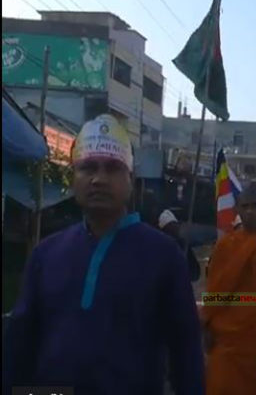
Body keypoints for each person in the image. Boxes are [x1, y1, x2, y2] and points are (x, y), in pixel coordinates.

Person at [2, 114, 204, 394]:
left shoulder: (164, 256)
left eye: (112, 168)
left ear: (130, 179)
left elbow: (186, 355)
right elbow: (18, 350)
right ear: (74, 177)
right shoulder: (45, 255)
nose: (98, 179)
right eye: (88, 167)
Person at [203, 183, 256, 395]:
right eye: (245, 207)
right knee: (220, 386)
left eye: (254, 206)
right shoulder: (225, 245)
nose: (250, 211)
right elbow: (214, 289)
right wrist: (206, 325)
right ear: (238, 210)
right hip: (226, 335)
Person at [159, 209, 202, 282]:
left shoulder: (183, 243)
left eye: (174, 226)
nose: (173, 229)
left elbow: (195, 274)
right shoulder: (162, 246)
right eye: (169, 227)